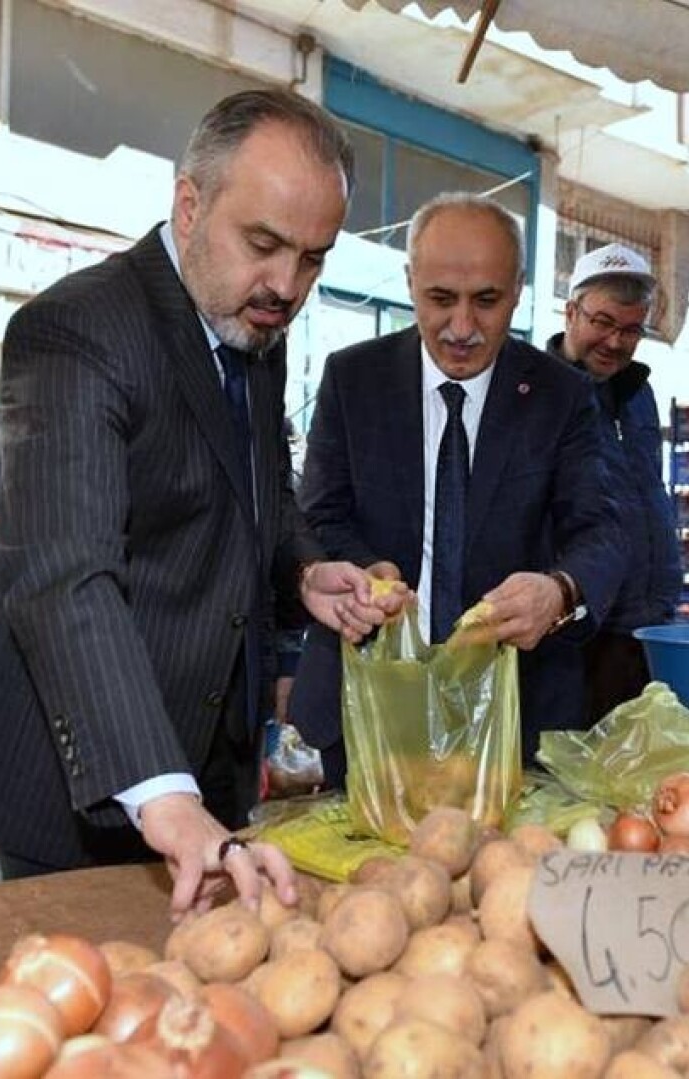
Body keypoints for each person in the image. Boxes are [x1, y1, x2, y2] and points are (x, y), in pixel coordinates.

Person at [0, 90, 406, 917]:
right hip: (76, 776)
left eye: (313, 259)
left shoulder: (253, 326)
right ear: (189, 204)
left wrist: (301, 569)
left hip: (206, 763)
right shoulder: (76, 330)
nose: (287, 285)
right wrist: (163, 793)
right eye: (264, 244)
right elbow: (64, 573)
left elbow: (257, 491)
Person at [290, 193, 625, 785]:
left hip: (510, 721)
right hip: (367, 708)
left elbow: (601, 530)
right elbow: (319, 517)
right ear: (410, 281)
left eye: (487, 302)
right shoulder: (352, 379)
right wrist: (365, 571)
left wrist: (559, 590)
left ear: (519, 289)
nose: (463, 328)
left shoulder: (562, 396)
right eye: (440, 299)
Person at [544, 244, 680, 722]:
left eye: (631, 329)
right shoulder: (540, 394)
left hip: (647, 626)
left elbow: (648, 495)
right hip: (578, 634)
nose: (616, 342)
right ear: (571, 312)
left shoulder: (640, 395)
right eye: (602, 323)